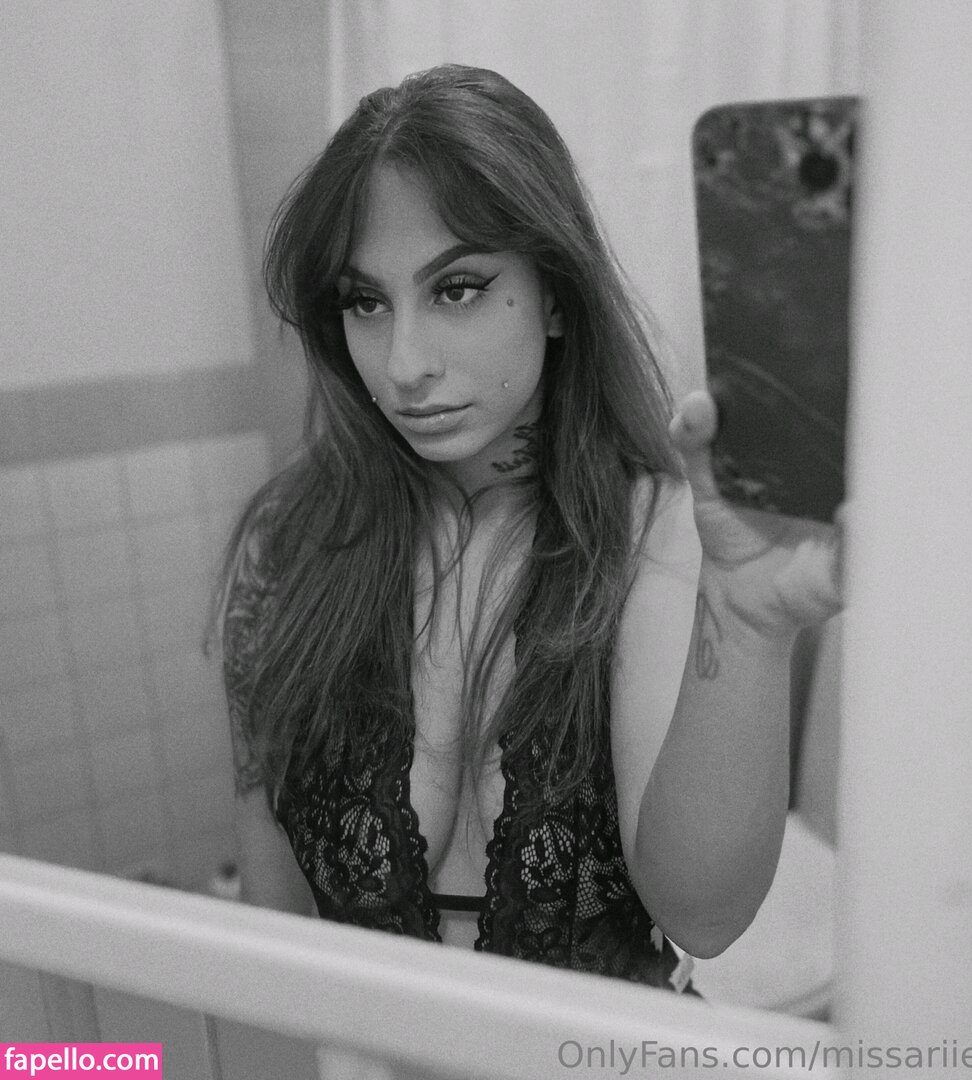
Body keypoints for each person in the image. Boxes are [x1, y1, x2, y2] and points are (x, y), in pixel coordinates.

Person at [215, 64, 843, 995]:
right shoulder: (289, 545)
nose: (404, 364)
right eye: (365, 301)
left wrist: (748, 627)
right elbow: (273, 932)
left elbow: (703, 917)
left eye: (457, 288)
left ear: (554, 290)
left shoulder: (653, 535)